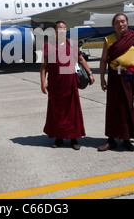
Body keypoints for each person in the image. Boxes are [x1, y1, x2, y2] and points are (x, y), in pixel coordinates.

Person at [98, 13, 134, 152]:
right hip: (114, 77)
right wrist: (102, 78)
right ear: (113, 25)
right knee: (113, 108)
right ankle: (111, 140)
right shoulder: (109, 39)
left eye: (123, 21)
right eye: (117, 22)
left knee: (130, 108)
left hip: (131, 78)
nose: (121, 24)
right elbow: (104, 59)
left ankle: (127, 139)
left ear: (127, 23)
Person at [40, 21, 94, 150]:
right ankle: (58, 137)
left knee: (72, 111)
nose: (62, 30)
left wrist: (90, 73)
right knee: (57, 111)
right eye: (59, 28)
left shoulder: (72, 44)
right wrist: (43, 82)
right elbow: (44, 66)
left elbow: (81, 59)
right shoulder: (48, 46)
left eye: (64, 28)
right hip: (55, 84)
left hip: (70, 83)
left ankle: (73, 138)